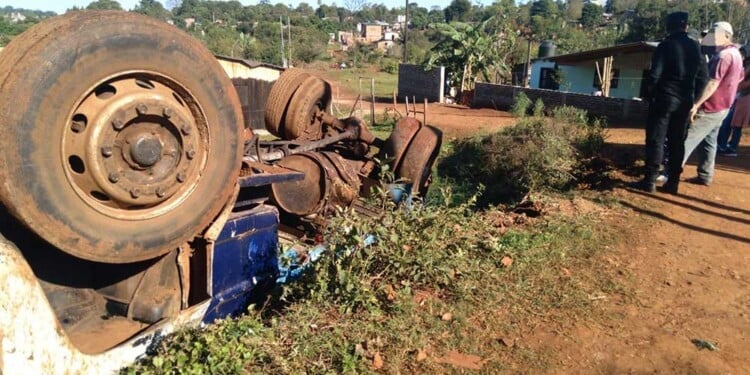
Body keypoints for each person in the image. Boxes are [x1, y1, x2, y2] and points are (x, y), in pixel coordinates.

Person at [631, 12, 708, 193]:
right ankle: (673, 182)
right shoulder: (696, 48)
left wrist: (648, 95)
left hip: (664, 100)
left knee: (656, 139)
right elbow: (704, 77)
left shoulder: (665, 46)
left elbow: (654, 75)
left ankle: (650, 180)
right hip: (684, 102)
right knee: (677, 141)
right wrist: (694, 98)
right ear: (686, 27)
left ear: (668, 27)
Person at [683, 21, 744, 186]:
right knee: (709, 141)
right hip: (724, 106)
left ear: (726, 35)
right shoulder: (736, 54)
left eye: (714, 33)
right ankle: (705, 175)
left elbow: (712, 83)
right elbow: (740, 78)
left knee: (688, 138)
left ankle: (669, 172)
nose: (711, 36)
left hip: (711, 106)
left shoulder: (723, 56)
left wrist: (696, 104)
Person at [717, 52, 750, 156]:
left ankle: (731, 148)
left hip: (744, 101)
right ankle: (724, 145)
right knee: (729, 124)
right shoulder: (743, 71)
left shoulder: (745, 74)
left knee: (735, 125)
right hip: (739, 100)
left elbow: (742, 87)